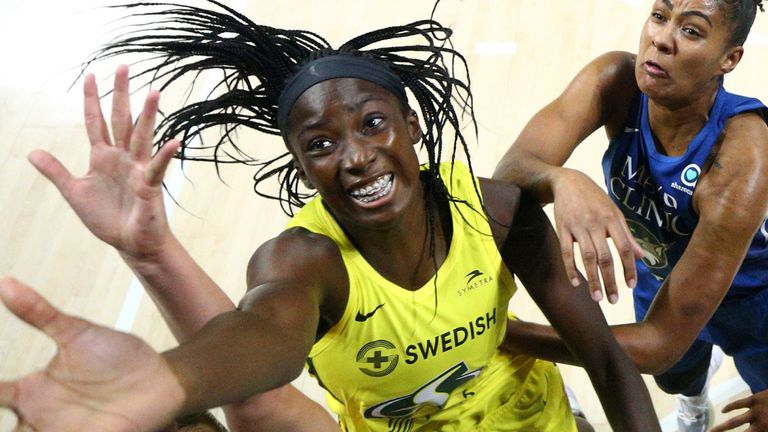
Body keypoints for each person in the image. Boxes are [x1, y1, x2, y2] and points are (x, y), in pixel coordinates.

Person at [0, 1, 661, 431]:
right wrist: (172, 379)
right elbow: (260, 337)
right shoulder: (302, 263)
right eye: (320, 145)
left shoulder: (494, 210)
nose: (354, 158)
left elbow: (604, 356)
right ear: (300, 167)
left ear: (412, 126)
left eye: (373, 125)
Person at [492, 0, 768, 430]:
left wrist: (505, 335)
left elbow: (657, 342)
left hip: (754, 300)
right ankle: (694, 405)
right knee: (674, 377)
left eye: (691, 31)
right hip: (663, 274)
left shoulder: (741, 153)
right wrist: (563, 180)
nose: (661, 38)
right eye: (660, 16)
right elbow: (508, 176)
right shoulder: (616, 82)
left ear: (728, 59)